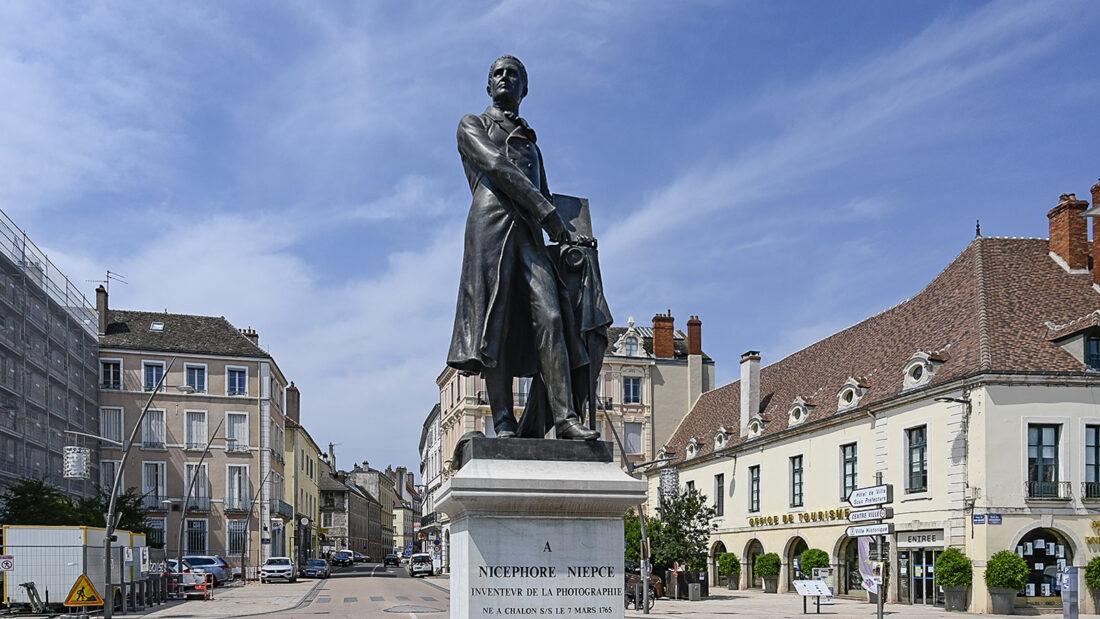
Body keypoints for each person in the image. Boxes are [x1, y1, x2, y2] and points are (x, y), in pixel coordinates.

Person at [447, 55, 598, 441]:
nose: (504, 78)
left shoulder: (533, 144)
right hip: (491, 227)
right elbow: (496, 166)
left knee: (551, 317)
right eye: (497, 73)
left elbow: (545, 194)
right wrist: (548, 213)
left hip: (529, 234)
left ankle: (564, 418)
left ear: (524, 89)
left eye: (513, 74)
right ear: (488, 85)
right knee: (493, 324)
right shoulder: (472, 124)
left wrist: (573, 237)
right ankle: (503, 421)